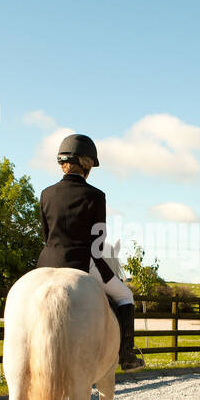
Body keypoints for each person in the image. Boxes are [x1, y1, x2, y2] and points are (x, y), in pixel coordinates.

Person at [37, 133, 146, 370]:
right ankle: (126, 355)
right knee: (126, 296)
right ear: (86, 163)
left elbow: (46, 236)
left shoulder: (46, 194)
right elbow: (99, 241)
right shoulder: (96, 196)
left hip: (46, 263)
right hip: (83, 261)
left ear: (63, 162)